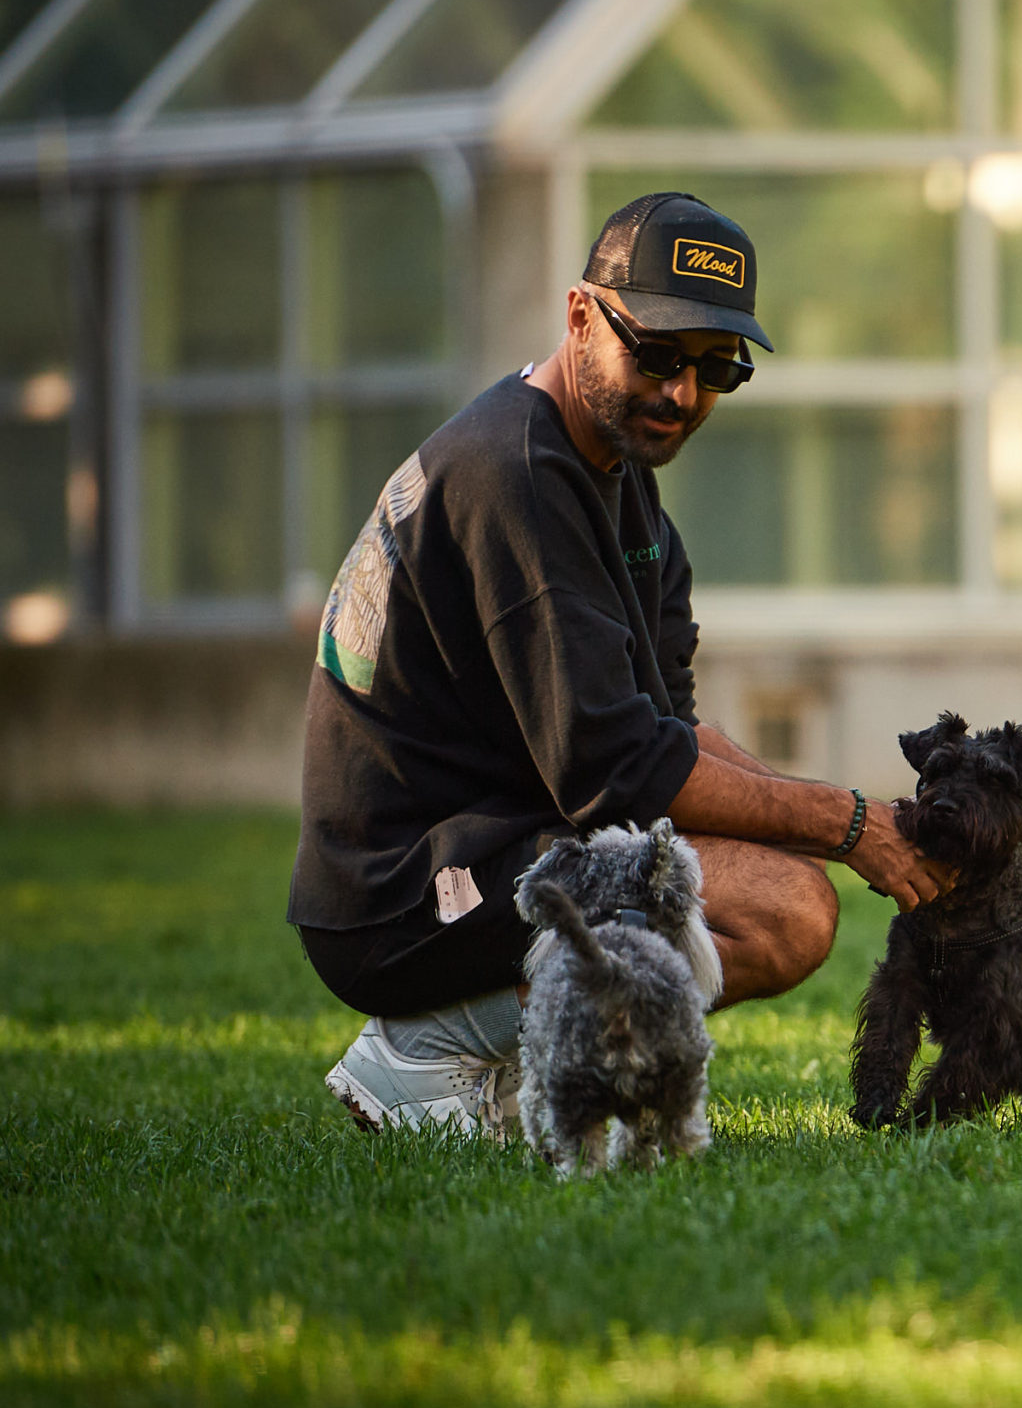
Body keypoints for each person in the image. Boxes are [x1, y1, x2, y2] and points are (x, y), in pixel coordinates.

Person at [291, 192, 947, 1135]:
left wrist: (873, 831)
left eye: (715, 366)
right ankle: (427, 1051)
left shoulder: (623, 485)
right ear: (577, 317)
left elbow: (671, 741)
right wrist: (846, 826)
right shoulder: (515, 472)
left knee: (783, 881)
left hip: (501, 837)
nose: (682, 392)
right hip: (400, 893)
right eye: (656, 353)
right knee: (782, 912)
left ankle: (514, 1059)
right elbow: (620, 773)